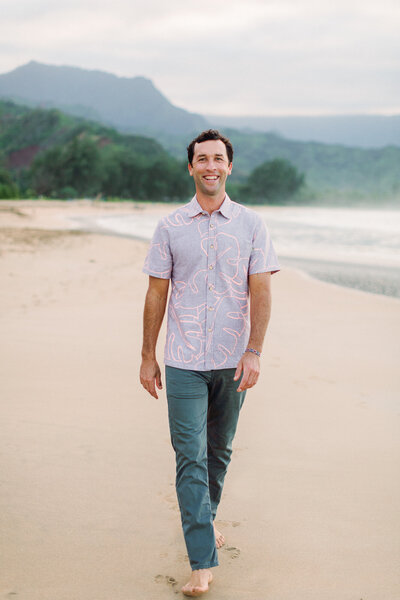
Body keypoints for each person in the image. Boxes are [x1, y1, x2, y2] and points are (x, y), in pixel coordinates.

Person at [140, 129, 280, 597]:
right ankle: (202, 560)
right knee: (190, 457)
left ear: (230, 167)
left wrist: (255, 350)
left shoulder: (253, 225)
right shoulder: (170, 226)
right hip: (181, 360)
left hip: (232, 360)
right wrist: (147, 356)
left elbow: (260, 289)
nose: (210, 166)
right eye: (202, 159)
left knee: (219, 452)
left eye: (218, 158)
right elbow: (156, 291)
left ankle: (206, 518)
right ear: (191, 167)